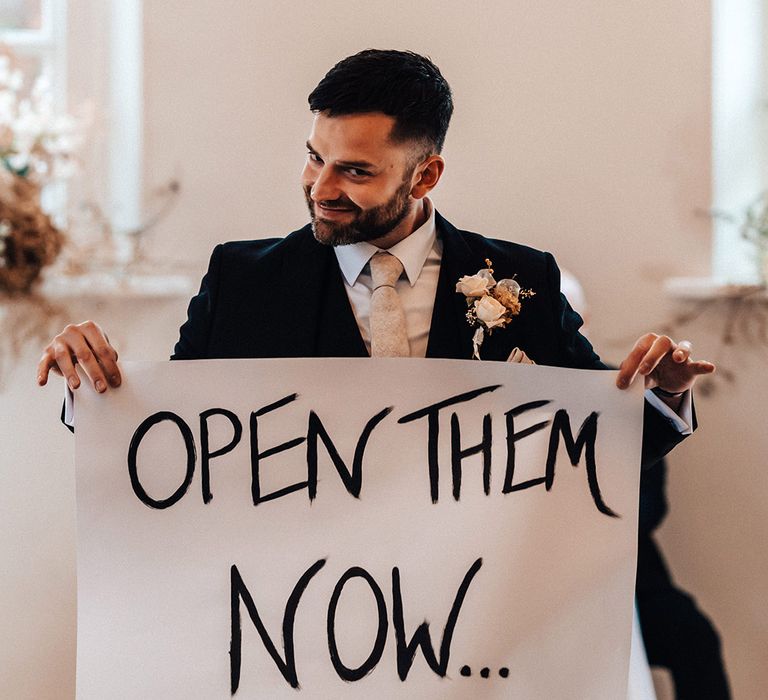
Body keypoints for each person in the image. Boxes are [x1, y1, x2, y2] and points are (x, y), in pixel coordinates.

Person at [37, 49, 714, 466]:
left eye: (355, 172)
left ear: (426, 176)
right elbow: (170, 445)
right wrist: (88, 390)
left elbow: (600, 444)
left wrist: (668, 396)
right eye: (313, 157)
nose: (320, 189)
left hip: (469, 631)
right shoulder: (243, 281)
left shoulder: (523, 279)